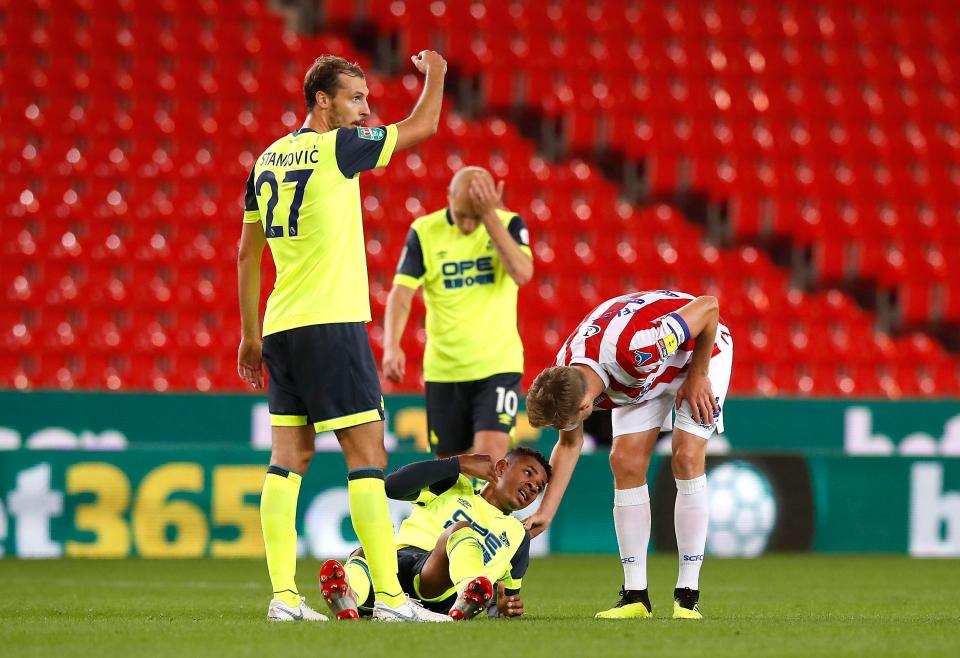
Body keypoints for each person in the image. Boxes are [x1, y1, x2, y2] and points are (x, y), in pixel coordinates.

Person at [237, 51, 448, 622]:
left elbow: (247, 253)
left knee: (289, 458)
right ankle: (393, 600)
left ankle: (283, 597)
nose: (365, 110)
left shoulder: (265, 161)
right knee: (367, 456)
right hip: (332, 323)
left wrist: (249, 335)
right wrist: (437, 74)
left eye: (366, 99)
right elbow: (424, 125)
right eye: (355, 98)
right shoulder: (338, 148)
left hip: (281, 327)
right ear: (321, 101)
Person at [522, 290, 733, 620]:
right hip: (641, 377)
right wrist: (546, 512)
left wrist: (698, 375)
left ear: (583, 407)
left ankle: (687, 596)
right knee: (624, 461)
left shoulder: (637, 348)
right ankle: (635, 597)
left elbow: (709, 306)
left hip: (700, 353)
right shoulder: (564, 376)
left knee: (686, 457)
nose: (562, 429)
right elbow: (568, 444)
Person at [381, 167, 533, 461]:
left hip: (497, 366)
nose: (466, 224)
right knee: (449, 469)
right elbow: (401, 293)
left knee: (489, 459)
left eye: (473, 216)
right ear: (448, 196)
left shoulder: (509, 224)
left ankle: (485, 509)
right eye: (461, 213)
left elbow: (522, 273)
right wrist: (391, 346)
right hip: (444, 370)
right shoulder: (425, 231)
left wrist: (489, 217)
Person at [318, 447, 552, 621]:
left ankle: (468, 593)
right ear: (501, 468)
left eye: (539, 487)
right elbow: (392, 486)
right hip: (395, 569)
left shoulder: (518, 537)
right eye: (529, 474)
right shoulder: (453, 485)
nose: (533, 487)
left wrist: (505, 605)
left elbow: (508, 599)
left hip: (438, 583)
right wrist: (457, 464)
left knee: (459, 531)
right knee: (364, 554)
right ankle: (348, 598)